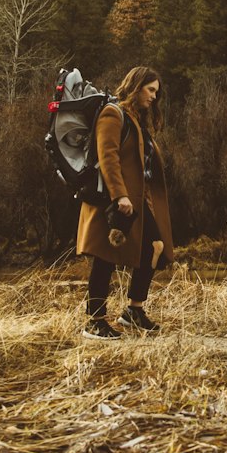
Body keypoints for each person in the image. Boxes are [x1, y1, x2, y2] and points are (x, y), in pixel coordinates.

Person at [76, 66, 174, 339]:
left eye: (157, 92)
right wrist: (120, 194)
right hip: (109, 201)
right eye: (150, 89)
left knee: (155, 246)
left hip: (135, 203)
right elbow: (108, 156)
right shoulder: (113, 113)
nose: (154, 96)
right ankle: (94, 321)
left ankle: (134, 310)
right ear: (136, 86)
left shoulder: (136, 121)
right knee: (104, 258)